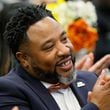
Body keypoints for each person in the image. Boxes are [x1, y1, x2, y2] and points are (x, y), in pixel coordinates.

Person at [1, 2, 110, 110]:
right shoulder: (9, 90)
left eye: (64, 39)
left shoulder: (90, 79)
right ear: (24, 58)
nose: (65, 50)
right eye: (49, 47)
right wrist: (95, 107)